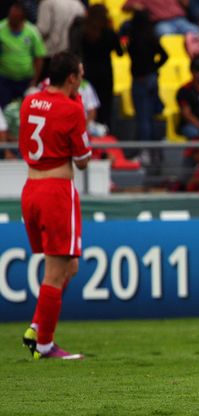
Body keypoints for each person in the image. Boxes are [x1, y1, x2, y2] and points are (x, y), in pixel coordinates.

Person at [18, 51, 91, 360]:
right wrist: (78, 108)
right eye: (81, 76)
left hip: (31, 188)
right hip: (56, 191)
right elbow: (84, 160)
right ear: (72, 78)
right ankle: (45, 344)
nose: (82, 81)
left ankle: (37, 326)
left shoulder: (30, 101)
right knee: (55, 271)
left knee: (68, 266)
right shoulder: (72, 109)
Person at [126, 10, 168, 143]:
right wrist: (154, 68)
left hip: (140, 80)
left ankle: (145, 147)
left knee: (143, 117)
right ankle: (153, 147)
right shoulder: (151, 37)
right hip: (151, 78)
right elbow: (165, 56)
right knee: (151, 115)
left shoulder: (133, 39)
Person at [79, 4, 122, 127]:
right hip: (105, 74)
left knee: (89, 105)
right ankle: (104, 133)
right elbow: (120, 52)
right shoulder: (110, 33)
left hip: (89, 73)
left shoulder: (85, 33)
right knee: (105, 106)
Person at [0, 2, 46, 108]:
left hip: (26, 80)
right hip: (4, 79)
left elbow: (39, 56)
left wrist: (34, 80)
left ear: (22, 18)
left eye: (15, 17)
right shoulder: (1, 28)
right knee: (4, 108)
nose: (11, 19)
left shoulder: (32, 32)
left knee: (25, 109)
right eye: (10, 15)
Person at [123, 0, 199, 36]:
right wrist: (136, 6)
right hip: (161, 22)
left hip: (180, 20)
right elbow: (126, 6)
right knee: (165, 34)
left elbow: (186, 3)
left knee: (198, 33)